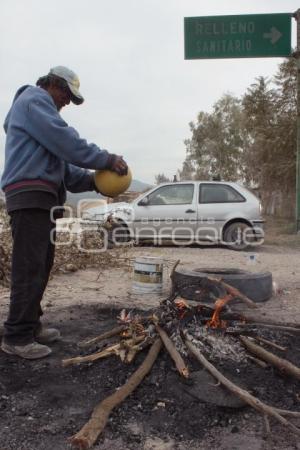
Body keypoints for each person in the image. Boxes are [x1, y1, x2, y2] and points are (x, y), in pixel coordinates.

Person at [0, 66, 128, 360]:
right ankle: (17, 336)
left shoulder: (43, 126)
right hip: (29, 195)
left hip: (43, 199)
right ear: (52, 84)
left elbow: (69, 172)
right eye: (67, 94)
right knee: (29, 267)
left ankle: (30, 325)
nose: (67, 102)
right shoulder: (34, 101)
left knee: (41, 266)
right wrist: (106, 158)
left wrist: (98, 181)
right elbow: (68, 142)